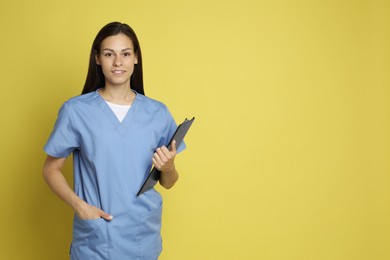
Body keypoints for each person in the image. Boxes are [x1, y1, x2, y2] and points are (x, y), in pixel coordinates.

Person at [42, 21, 185, 260]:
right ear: (97, 58)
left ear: (136, 58)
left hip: (141, 236)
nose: (118, 62)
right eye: (109, 54)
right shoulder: (76, 111)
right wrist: (80, 206)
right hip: (96, 239)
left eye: (125, 54)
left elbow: (168, 182)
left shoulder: (157, 113)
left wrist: (168, 168)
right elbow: (50, 169)